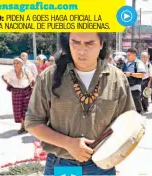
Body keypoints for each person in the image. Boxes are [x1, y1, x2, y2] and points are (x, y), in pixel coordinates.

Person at [25, 33, 135, 175]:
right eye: (75, 43)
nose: (81, 51)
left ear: (101, 44)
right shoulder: (49, 77)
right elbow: (32, 122)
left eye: (89, 43)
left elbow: (128, 123)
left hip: (101, 167)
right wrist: (68, 143)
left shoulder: (117, 79)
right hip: (62, 164)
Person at [2, 57, 34, 134]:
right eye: (14, 63)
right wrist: (9, 85)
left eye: (17, 63)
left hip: (26, 91)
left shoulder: (26, 71)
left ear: (22, 64)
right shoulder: (11, 72)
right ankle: (22, 126)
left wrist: (33, 89)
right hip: (16, 91)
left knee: (26, 109)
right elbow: (3, 77)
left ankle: (26, 126)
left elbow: (32, 80)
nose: (15, 65)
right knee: (18, 109)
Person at [123, 48, 146, 114]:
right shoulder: (125, 62)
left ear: (134, 55)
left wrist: (130, 74)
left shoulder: (138, 63)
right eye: (126, 55)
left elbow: (142, 75)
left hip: (135, 87)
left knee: (136, 103)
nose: (127, 56)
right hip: (125, 86)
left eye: (129, 55)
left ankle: (139, 116)